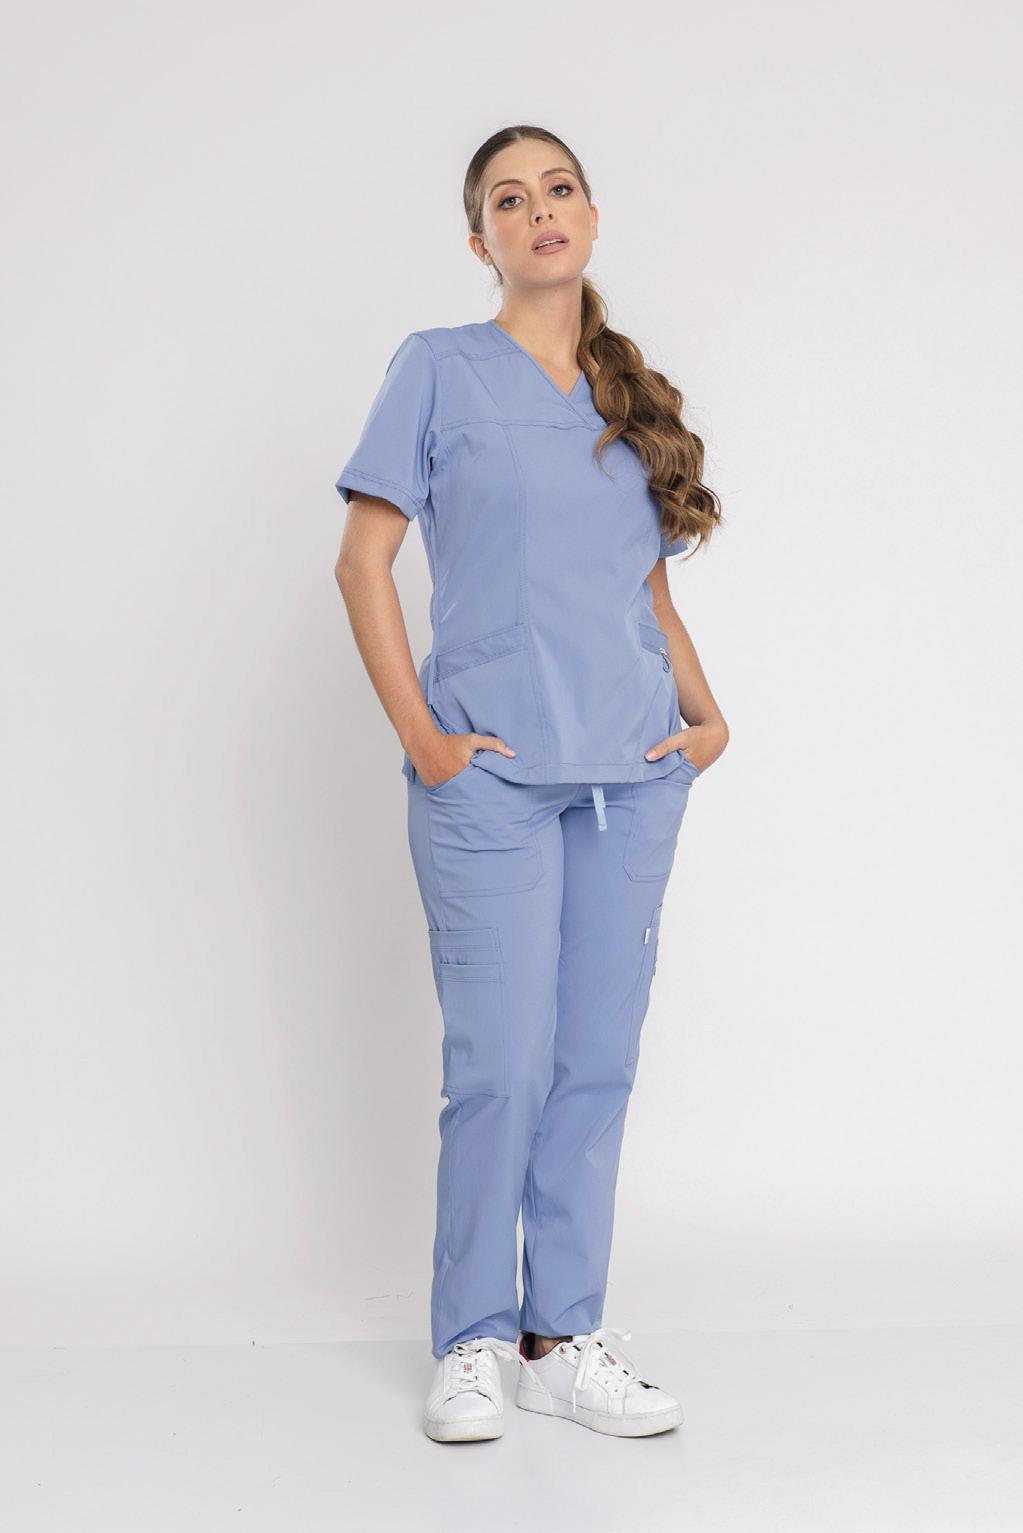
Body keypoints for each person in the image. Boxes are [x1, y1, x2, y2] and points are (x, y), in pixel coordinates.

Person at [333, 125, 728, 1442]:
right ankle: (472, 1338)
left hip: (630, 774)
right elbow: (364, 562)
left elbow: (646, 590)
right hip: (490, 776)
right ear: (480, 240)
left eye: (558, 189)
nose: (539, 210)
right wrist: (426, 738)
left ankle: (563, 1338)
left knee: (594, 1062)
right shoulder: (437, 369)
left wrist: (707, 716)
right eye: (510, 199)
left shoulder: (631, 400)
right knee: (499, 1064)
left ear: (592, 218)